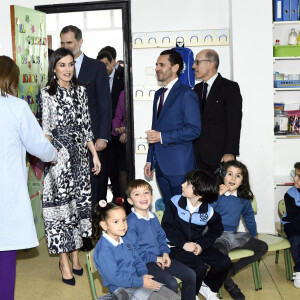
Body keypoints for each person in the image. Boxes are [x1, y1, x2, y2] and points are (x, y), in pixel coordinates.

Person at [40, 48, 101, 286]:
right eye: (62, 65)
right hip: (58, 157)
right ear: (54, 68)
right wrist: (52, 157)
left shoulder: (81, 92)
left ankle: (76, 255)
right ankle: (63, 260)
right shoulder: (47, 93)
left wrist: (94, 155)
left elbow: (87, 127)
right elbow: (45, 130)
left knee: (80, 208)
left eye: (70, 65)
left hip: (80, 157)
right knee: (62, 210)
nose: (67, 69)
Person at [0, 55, 57, 300]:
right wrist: (52, 153)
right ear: (13, 79)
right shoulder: (16, 106)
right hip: (6, 191)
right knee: (5, 254)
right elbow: (39, 147)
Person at [60, 25, 111, 252]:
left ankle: (89, 233)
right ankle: (74, 231)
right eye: (62, 43)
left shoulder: (96, 67)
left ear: (80, 42)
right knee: (70, 188)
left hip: (91, 140)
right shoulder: (58, 66)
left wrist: (102, 136)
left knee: (89, 188)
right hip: (66, 142)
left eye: (69, 43)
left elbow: (104, 104)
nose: (65, 47)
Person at [161, 170, 231, 300]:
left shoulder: (208, 212)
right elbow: (166, 227)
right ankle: (190, 293)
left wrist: (201, 246)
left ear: (199, 193)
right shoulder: (175, 202)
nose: (182, 185)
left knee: (224, 262)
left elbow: (216, 229)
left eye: (187, 184)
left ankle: (208, 287)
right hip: (174, 247)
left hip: (195, 246)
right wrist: (183, 244)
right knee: (199, 266)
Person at [144, 49, 201, 206]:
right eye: (156, 65)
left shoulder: (187, 94)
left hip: (180, 167)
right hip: (161, 168)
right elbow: (154, 129)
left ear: (175, 68)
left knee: (183, 211)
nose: (157, 68)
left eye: (162, 65)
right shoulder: (158, 94)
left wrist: (162, 137)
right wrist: (150, 160)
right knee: (171, 211)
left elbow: (194, 130)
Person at [92, 201, 180, 300]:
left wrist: (143, 275)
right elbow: (115, 278)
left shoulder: (125, 238)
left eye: (124, 220)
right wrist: (141, 282)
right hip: (120, 288)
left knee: (174, 297)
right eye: (116, 221)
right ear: (104, 225)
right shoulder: (104, 250)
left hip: (137, 279)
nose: (122, 225)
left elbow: (138, 260)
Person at [126, 179, 196, 300]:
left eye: (146, 192)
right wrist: (155, 258)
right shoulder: (130, 223)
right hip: (143, 262)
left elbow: (162, 238)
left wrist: (165, 253)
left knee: (190, 275)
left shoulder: (153, 217)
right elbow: (133, 252)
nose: (143, 196)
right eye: (137, 194)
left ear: (152, 196)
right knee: (171, 283)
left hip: (159, 256)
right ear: (130, 201)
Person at [210, 160, 268, 300]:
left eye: (238, 176)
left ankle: (231, 269)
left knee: (262, 247)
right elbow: (205, 212)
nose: (233, 179)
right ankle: (230, 286)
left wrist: (254, 234)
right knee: (221, 254)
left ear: (242, 180)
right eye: (230, 174)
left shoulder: (243, 198)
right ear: (223, 175)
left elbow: (248, 216)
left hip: (233, 235)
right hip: (215, 235)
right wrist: (218, 195)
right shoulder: (214, 193)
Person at [192, 49, 242, 175]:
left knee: (219, 193)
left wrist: (230, 152)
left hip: (219, 156)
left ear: (210, 64)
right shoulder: (196, 90)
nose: (193, 66)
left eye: (197, 62)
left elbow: (234, 122)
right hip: (197, 156)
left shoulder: (230, 87)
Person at [96, 51, 124, 201]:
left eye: (106, 64)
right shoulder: (97, 80)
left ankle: (118, 199)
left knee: (116, 170)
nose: (104, 68)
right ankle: (101, 203)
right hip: (102, 131)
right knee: (103, 169)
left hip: (117, 132)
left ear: (113, 62)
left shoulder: (122, 78)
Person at [282, 162, 300, 288]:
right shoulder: (290, 194)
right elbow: (294, 218)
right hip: (292, 223)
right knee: (297, 239)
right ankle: (299, 270)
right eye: (295, 174)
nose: (294, 178)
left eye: (299, 176)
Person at [112, 90, 127, 200]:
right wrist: (117, 129)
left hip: (138, 136)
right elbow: (118, 116)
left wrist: (127, 130)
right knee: (122, 171)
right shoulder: (123, 93)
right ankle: (125, 203)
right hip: (122, 139)